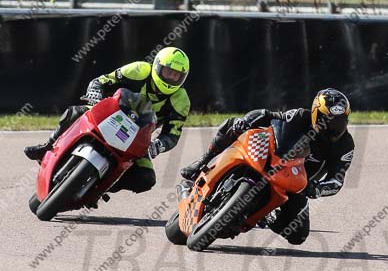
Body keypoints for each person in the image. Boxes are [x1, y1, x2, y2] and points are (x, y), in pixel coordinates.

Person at [181, 88, 354, 245]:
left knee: (298, 236)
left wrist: (316, 189)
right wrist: (246, 121)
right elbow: (268, 115)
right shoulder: (300, 116)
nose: (332, 128)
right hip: (274, 161)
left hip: (298, 187)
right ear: (316, 114)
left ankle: (267, 214)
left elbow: (337, 181)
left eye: (339, 123)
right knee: (233, 125)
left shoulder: (346, 145)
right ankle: (202, 163)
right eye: (328, 121)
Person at [24, 47, 191, 194]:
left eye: (176, 75)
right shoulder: (138, 70)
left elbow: (173, 133)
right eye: (168, 71)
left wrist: (158, 145)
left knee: (146, 178)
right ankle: (47, 146)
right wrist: (95, 93)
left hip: (138, 138)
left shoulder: (181, 100)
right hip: (109, 116)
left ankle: (101, 187)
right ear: (156, 67)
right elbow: (101, 81)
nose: (171, 78)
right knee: (74, 112)